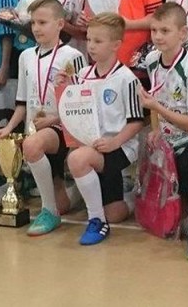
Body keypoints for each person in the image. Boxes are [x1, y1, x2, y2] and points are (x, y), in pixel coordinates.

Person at [0, 0, 87, 235]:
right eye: (34, 23)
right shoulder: (26, 57)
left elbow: (82, 105)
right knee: (64, 203)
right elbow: (22, 103)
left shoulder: (72, 56)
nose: (36, 28)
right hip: (36, 128)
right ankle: (71, 196)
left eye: (43, 22)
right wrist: (9, 128)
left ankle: (49, 211)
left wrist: (54, 120)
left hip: (63, 128)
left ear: (60, 24)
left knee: (33, 145)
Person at [141, 3, 188, 262]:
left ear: (183, 33)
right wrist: (155, 128)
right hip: (169, 137)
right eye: (154, 30)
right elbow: (155, 94)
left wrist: (156, 108)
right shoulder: (152, 60)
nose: (158, 36)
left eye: (165, 31)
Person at [67, 13, 147, 245]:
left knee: (78, 159)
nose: (91, 46)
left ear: (116, 45)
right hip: (94, 146)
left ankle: (97, 220)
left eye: (98, 41)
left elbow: (137, 122)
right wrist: (65, 88)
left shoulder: (127, 79)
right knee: (116, 213)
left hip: (118, 148)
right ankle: (122, 201)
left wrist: (114, 143)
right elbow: (74, 110)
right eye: (89, 39)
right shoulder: (82, 76)